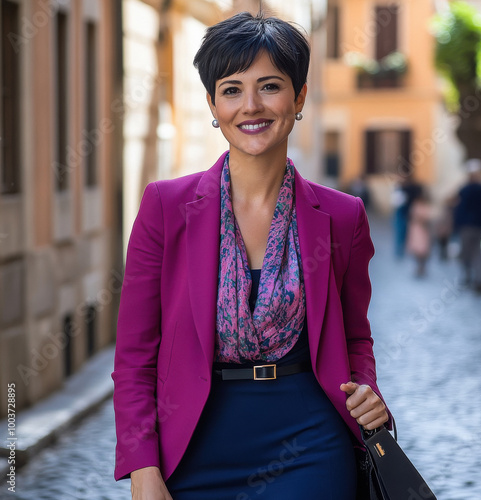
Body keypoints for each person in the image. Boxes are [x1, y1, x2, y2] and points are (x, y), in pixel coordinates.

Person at [112, 12, 390, 500]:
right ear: (213, 104)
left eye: (270, 86)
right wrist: (142, 467)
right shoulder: (165, 207)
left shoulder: (343, 216)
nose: (251, 106)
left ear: (299, 97)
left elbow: (354, 336)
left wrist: (366, 390)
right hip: (193, 448)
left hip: (311, 448)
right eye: (232, 89)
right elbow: (135, 356)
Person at [453, 159, 481, 293]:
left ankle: (470, 278)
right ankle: (480, 279)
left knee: (467, 253)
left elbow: (459, 205)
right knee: (477, 253)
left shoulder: (466, 189)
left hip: (467, 225)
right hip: (478, 224)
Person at [406, 191, 433, 277]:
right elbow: (414, 217)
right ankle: (419, 267)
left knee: (423, 250)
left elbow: (428, 218)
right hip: (417, 230)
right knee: (418, 250)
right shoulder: (416, 206)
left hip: (423, 230)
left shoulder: (425, 207)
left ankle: (422, 267)